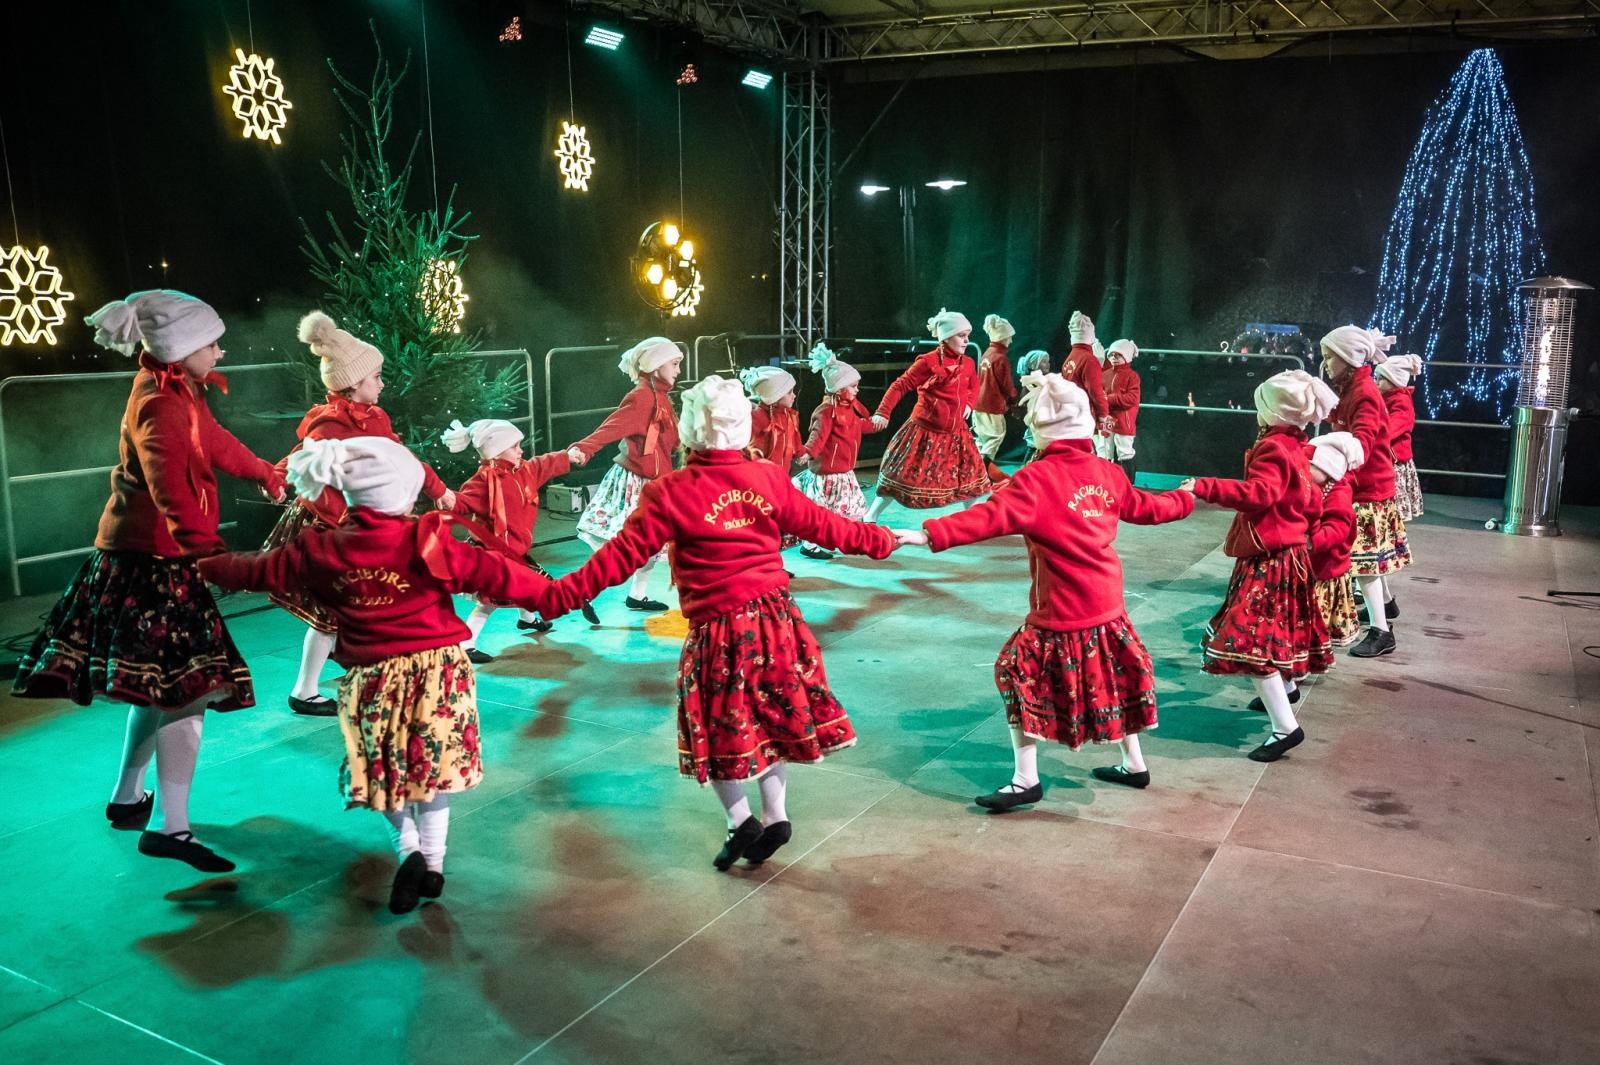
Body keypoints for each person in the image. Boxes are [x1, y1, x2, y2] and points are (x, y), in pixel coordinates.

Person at [539, 376, 903, 870]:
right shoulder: (768, 478)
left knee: (717, 723)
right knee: (771, 715)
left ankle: (740, 822)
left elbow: (617, 560)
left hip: (720, 630)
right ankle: (775, 815)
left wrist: (556, 596)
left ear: (690, 429)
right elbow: (827, 527)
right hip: (777, 622)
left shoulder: (671, 492)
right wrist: (884, 539)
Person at [199, 437, 556, 913]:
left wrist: (198, 558)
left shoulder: (320, 548)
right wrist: (566, 591)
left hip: (373, 679)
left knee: (380, 773)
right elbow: (503, 576)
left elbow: (250, 571)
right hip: (438, 676)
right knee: (433, 775)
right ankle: (433, 865)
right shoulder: (429, 542)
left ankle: (409, 851)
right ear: (404, 492)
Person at [11, 290, 286, 873]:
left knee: (158, 688)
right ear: (181, 348)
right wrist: (208, 555)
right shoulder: (159, 404)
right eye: (211, 341)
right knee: (192, 689)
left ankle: (128, 797)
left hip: (152, 558)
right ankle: (171, 827)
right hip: (154, 566)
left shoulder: (179, 392)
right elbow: (170, 491)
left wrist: (262, 470)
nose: (220, 348)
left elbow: (213, 443)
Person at [905, 373, 1194, 808]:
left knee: (1014, 671)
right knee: (1113, 677)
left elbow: (984, 519)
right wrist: (1186, 497)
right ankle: (1134, 763)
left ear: (1040, 430)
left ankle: (1026, 779)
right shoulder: (1106, 472)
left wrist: (927, 534)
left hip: (1061, 608)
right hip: (1107, 604)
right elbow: (1148, 508)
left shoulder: (1037, 479)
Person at [266, 311, 456, 717]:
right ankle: (308, 688)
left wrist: (437, 490)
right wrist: (276, 478)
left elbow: (401, 457)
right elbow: (303, 457)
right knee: (334, 613)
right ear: (353, 384)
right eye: (376, 377)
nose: (383, 383)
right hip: (332, 527)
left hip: (360, 526)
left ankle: (345, 678)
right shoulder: (330, 425)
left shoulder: (375, 419)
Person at [1180, 370, 1337, 762]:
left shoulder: (1273, 448)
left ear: (1270, 412)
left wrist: (1205, 487)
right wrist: (1306, 533)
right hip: (1289, 556)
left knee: (1249, 641)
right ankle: (1284, 692)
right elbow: (1312, 501)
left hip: (1271, 559)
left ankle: (1286, 727)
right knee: (1274, 633)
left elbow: (1259, 493)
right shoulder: (1297, 448)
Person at [442, 417, 594, 663]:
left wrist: (568, 456)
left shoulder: (525, 470)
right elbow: (463, 501)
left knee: (526, 584)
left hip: (516, 549)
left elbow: (544, 463)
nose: (521, 450)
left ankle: (527, 619)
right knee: (489, 602)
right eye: (514, 446)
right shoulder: (483, 482)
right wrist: (449, 498)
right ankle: (466, 644)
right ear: (496, 450)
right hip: (494, 554)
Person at [571, 338, 683, 613]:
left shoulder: (662, 398)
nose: (679, 370)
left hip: (657, 482)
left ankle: (637, 594)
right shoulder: (641, 397)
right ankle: (583, 588)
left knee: (653, 544)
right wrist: (585, 448)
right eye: (675, 364)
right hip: (635, 481)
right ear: (656, 366)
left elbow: (674, 439)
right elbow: (613, 426)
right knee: (624, 545)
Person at [1321, 326, 1411, 658]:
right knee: (1367, 562)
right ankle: (1384, 608)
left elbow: (1362, 444)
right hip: (1363, 487)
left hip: (1367, 491)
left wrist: (1331, 473)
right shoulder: (1353, 389)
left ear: (1347, 358)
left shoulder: (1364, 394)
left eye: (1330, 357)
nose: (1326, 363)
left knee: (1364, 564)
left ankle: (1382, 632)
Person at [864, 308, 990, 521]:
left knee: (970, 473)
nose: (967, 340)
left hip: (956, 432)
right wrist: (883, 412)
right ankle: (871, 515)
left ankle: (973, 518)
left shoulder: (967, 363)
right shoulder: (928, 361)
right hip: (925, 429)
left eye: (968, 335)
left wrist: (969, 403)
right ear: (947, 337)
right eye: (961, 335)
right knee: (900, 472)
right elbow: (900, 385)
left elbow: (974, 385)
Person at [794, 343, 880, 560]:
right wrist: (808, 453)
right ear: (840, 388)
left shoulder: (847, 408)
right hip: (827, 475)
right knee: (820, 513)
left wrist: (873, 424)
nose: (857, 390)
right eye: (853, 386)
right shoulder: (826, 412)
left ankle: (846, 539)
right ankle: (810, 544)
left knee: (846, 511)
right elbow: (817, 437)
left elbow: (855, 425)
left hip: (843, 473)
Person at [1305, 432, 1366, 661]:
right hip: (1315, 564)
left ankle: (1311, 656)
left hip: (1327, 568)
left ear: (1327, 467)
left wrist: (1313, 541)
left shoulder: (1338, 495)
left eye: (1310, 465)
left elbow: (1338, 530)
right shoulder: (1320, 487)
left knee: (1317, 617)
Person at [1376, 353, 1424, 521]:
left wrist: (1372, 434)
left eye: (1380, 378)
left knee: (1393, 500)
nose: (1376, 381)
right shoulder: (1385, 398)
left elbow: (1391, 429)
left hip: (1395, 460)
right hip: (1388, 456)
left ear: (1393, 380)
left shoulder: (1401, 402)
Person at [972, 314, 1019, 483]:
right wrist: (1014, 398)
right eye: (1009, 338)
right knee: (996, 436)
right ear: (1003, 338)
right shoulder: (1000, 358)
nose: (1011, 341)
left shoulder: (987, 354)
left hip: (978, 403)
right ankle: (982, 470)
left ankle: (972, 466)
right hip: (992, 405)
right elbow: (1006, 384)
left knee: (983, 438)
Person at [741, 365, 806, 474]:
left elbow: (794, 440)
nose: (794, 396)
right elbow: (746, 450)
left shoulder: (789, 416)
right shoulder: (756, 417)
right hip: (761, 478)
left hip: (782, 476)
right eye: (789, 392)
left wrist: (801, 452)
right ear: (775, 396)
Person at [1097, 338, 1142, 482]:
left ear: (1127, 356)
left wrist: (1109, 398)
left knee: (1124, 451)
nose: (1113, 358)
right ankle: (1106, 482)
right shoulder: (1105, 374)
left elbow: (1132, 399)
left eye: (1118, 355)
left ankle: (1128, 484)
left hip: (1123, 421)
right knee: (1104, 450)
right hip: (1107, 418)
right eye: (1111, 355)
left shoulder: (1132, 376)